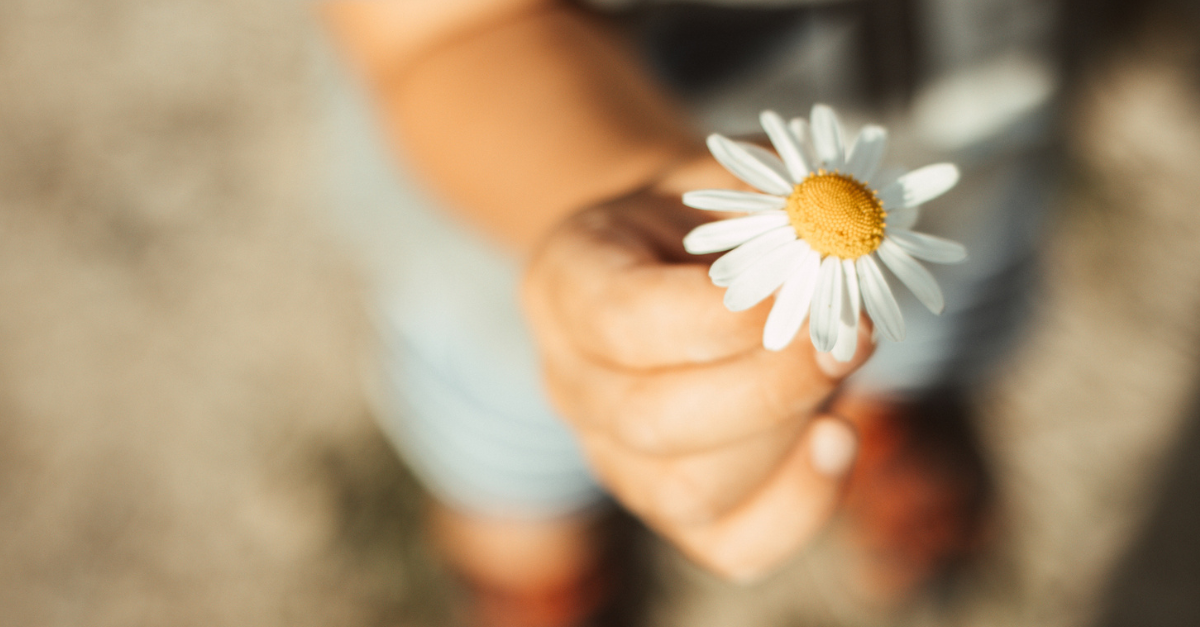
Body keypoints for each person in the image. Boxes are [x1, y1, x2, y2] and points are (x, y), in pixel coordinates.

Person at [319, 0, 1055, 624]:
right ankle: (533, 547)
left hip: (966, 144)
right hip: (537, 203)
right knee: (514, 436)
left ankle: (872, 411)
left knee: (901, 334)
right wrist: (637, 193)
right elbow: (446, 34)